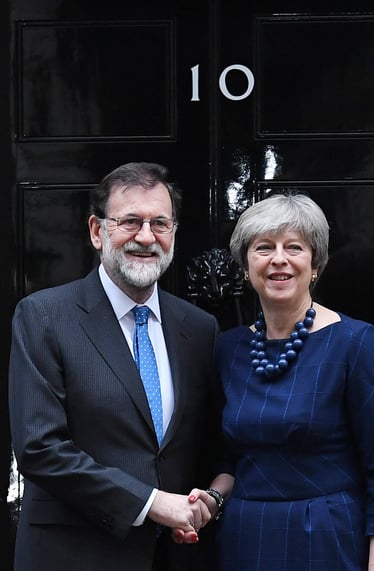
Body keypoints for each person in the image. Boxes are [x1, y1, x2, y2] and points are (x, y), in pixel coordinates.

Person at [174, 192, 374, 570]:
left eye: (294, 247)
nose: (279, 259)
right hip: (244, 539)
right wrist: (209, 501)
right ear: (247, 265)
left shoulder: (355, 342)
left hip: (327, 539)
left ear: (315, 263)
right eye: (264, 247)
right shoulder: (229, 348)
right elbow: (229, 460)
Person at [8, 162, 219, 571]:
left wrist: (209, 498)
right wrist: (151, 503)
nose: (145, 236)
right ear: (96, 231)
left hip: (177, 555)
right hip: (74, 556)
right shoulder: (44, 316)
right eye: (130, 222)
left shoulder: (198, 328)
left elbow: (205, 444)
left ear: (173, 233)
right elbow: (39, 448)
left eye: (160, 223)